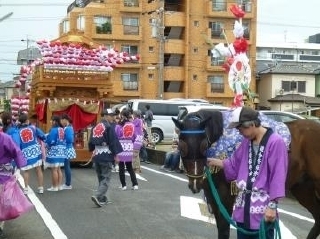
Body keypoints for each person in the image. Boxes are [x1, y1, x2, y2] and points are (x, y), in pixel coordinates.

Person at [207, 106, 288, 239]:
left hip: (263, 210)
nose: (239, 133)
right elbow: (234, 165)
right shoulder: (246, 142)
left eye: (240, 129)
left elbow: (278, 175)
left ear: (251, 124)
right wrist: (213, 162)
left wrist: (272, 206)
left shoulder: (275, 142)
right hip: (242, 208)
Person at [88, 109, 123, 207]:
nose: (113, 118)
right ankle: (97, 195)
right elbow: (113, 142)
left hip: (97, 155)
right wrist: (116, 155)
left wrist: (92, 149)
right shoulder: (108, 127)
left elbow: (90, 141)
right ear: (106, 116)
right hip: (106, 155)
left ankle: (102, 198)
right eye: (111, 116)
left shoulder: (95, 127)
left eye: (113, 116)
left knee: (101, 178)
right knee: (106, 178)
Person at [0, 130, 27, 237]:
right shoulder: (5, 138)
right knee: (2, 202)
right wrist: (19, 167)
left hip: (3, 175)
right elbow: (16, 151)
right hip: (3, 175)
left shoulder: (5, 137)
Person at [17, 113, 46, 194]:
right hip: (35, 150)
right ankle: (41, 188)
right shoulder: (33, 128)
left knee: (26, 171)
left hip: (25, 152)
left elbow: (17, 143)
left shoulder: (18, 131)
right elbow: (42, 136)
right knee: (39, 169)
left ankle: (26, 189)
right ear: (27, 120)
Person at [115, 109, 141, 190]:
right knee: (129, 167)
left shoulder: (118, 126)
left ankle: (123, 185)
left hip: (121, 147)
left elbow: (116, 136)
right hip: (129, 147)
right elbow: (135, 137)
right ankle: (135, 184)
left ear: (122, 115)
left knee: (121, 167)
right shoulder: (132, 125)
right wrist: (135, 147)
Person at [45, 115, 66, 192]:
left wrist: (46, 143)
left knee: (54, 169)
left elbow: (50, 141)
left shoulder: (53, 130)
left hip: (54, 151)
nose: (51, 122)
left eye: (51, 120)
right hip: (62, 151)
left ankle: (54, 186)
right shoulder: (62, 129)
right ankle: (59, 185)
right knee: (59, 169)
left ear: (54, 121)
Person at [60, 114, 76, 190]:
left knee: (67, 166)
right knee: (67, 166)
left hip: (67, 148)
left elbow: (70, 139)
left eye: (61, 120)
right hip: (68, 148)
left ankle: (68, 184)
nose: (61, 122)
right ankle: (67, 183)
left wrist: (63, 140)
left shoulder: (68, 128)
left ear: (65, 120)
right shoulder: (68, 127)